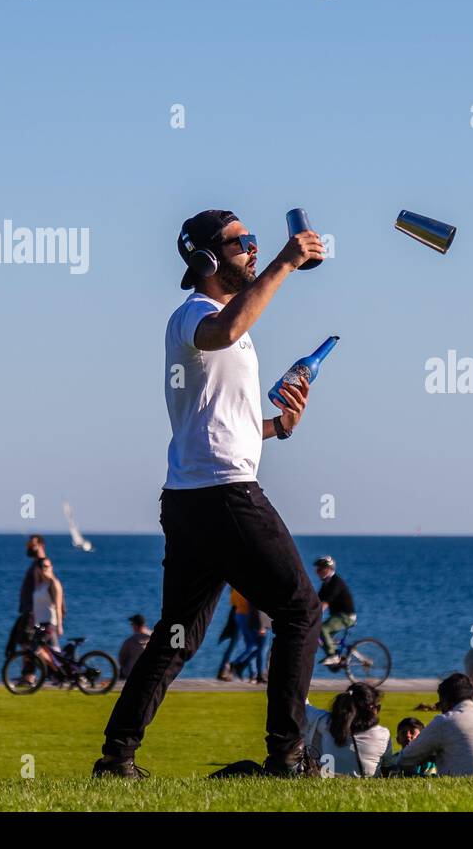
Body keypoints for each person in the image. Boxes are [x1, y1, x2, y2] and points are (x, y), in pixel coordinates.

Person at [94, 210, 326, 780]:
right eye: (241, 243)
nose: (252, 249)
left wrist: (279, 427)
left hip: (195, 497)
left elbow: (223, 425)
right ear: (205, 258)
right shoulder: (196, 316)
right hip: (223, 496)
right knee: (301, 610)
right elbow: (225, 333)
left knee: (177, 636)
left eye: (255, 242)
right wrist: (287, 261)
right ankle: (286, 758)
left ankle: (117, 758)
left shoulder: (227, 325)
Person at [395, 673, 473, 778]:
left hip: (471, 789)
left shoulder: (445, 722)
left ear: (446, 702)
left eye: (440, 704)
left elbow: (405, 759)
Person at [306, 683, 392, 777]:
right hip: (365, 785)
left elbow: (300, 702)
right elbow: (387, 767)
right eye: (377, 708)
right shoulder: (383, 734)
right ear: (372, 709)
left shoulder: (326, 722)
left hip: (328, 778)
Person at [314, 556, 355, 666]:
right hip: (337, 616)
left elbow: (325, 603)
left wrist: (314, 615)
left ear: (327, 569)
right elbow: (317, 601)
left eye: (319, 569)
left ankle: (333, 656)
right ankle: (336, 657)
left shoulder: (336, 582)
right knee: (320, 634)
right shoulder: (326, 583)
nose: (317, 572)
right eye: (316, 569)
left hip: (345, 616)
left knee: (323, 629)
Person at [118, 615, 152, 680]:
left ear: (135, 626)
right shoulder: (155, 637)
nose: (131, 626)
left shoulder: (130, 641)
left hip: (131, 673)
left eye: (132, 624)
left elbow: (121, 660)